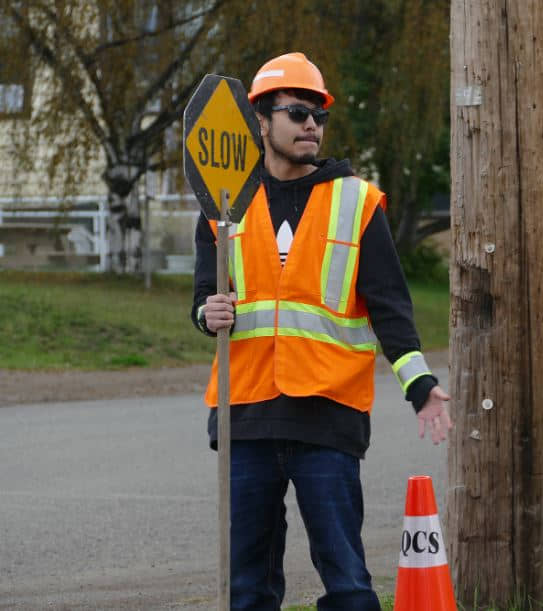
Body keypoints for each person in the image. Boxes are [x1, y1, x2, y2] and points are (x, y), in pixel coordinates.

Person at [190, 52, 452, 611]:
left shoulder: (357, 201)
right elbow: (201, 301)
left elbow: (390, 307)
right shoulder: (223, 203)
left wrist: (420, 384)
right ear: (261, 121)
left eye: (319, 115)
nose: (311, 124)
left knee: (348, 583)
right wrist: (205, 314)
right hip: (247, 415)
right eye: (297, 112)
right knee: (246, 587)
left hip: (327, 415)